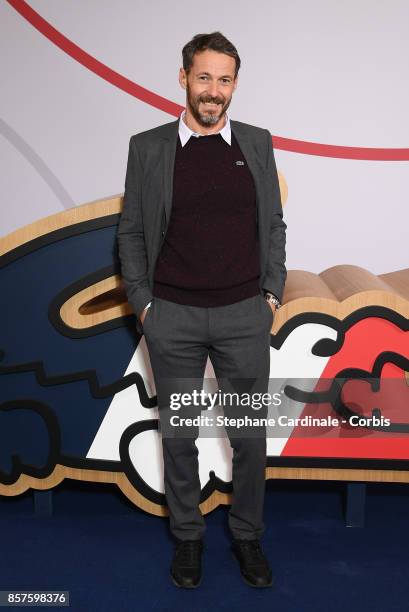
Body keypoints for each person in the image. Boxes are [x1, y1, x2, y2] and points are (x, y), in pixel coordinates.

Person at [117, 31, 287, 589]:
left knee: (248, 437)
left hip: (243, 313)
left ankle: (247, 535)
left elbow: (274, 226)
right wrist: (144, 305)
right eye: (204, 77)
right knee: (180, 436)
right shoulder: (148, 147)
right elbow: (133, 232)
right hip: (174, 318)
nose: (214, 91)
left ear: (235, 84)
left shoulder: (257, 144)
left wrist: (271, 295)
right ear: (184, 78)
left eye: (225, 79)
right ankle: (188, 539)